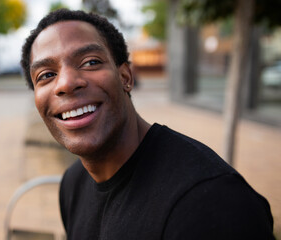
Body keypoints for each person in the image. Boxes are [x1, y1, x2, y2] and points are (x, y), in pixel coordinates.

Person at [20, 9, 275, 240]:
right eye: (46, 76)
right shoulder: (74, 184)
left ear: (125, 77)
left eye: (91, 62)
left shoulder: (211, 203)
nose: (65, 83)